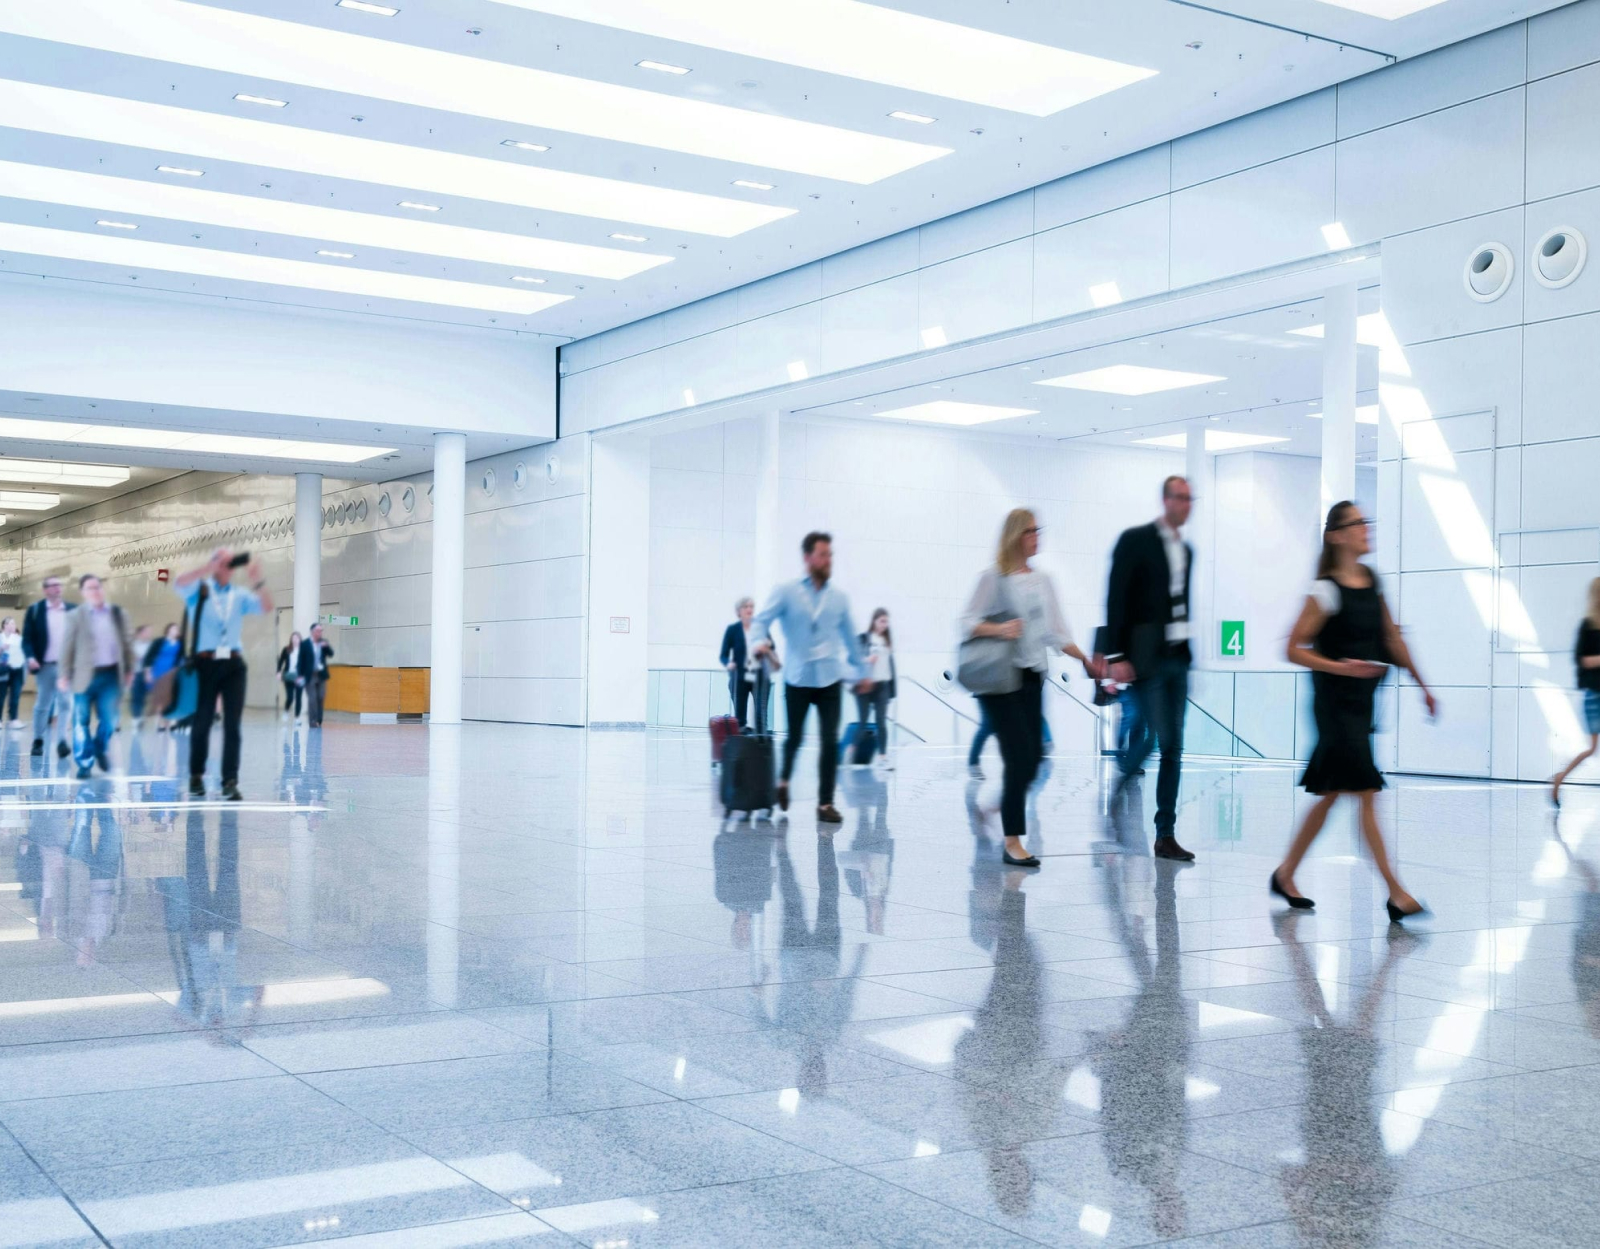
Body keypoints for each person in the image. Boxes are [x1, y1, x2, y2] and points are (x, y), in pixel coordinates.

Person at [1270, 501, 1436, 923]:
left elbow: (1391, 638)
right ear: (1336, 535)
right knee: (1366, 792)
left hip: (1361, 703)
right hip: (1334, 705)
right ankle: (1396, 892)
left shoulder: (1371, 581)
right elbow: (1293, 648)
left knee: (1330, 795)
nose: (1367, 528)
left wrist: (1422, 684)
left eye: (1366, 521)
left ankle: (1286, 873)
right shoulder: (1324, 589)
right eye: (1358, 523)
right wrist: (1339, 666)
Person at [962, 508, 1092, 868]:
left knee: (1034, 757)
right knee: (1017, 757)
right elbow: (967, 622)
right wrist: (999, 629)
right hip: (1000, 681)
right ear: (1016, 536)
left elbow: (1056, 631)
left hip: (1033, 676)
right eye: (1032, 531)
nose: (1038, 536)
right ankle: (1013, 840)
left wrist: (1084, 659)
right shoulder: (993, 577)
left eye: (1039, 530)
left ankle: (996, 807)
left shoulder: (1044, 580)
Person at [1098, 476, 1197, 862]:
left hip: (1178, 658)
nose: (1186, 505)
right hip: (1146, 658)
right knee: (1157, 734)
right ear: (1165, 500)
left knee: (1174, 747)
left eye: (1190, 499)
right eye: (1180, 498)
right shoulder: (1135, 540)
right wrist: (1117, 654)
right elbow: (1116, 596)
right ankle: (1123, 778)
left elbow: (1182, 606)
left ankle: (1165, 834)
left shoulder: (1187, 550)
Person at [750, 531, 870, 824]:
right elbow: (761, 620)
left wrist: (862, 672)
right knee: (794, 738)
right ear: (807, 558)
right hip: (798, 677)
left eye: (830, 555)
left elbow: (850, 638)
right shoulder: (786, 591)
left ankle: (825, 803)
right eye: (822, 554)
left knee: (830, 741)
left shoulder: (838, 598)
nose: (828, 560)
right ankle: (784, 782)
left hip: (830, 678)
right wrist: (757, 641)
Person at [174, 548, 272, 801]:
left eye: (231, 563)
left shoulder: (239, 595)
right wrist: (208, 568)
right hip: (206, 663)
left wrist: (257, 579)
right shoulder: (200, 590)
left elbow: (266, 606)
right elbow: (178, 582)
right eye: (223, 562)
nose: (227, 566)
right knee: (203, 720)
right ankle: (196, 775)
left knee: (232, 725)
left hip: (234, 665)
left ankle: (230, 780)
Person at [56, 574, 135, 781]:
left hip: (110, 675)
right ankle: (84, 763)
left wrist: (130, 670)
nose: (95, 591)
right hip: (83, 676)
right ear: (83, 593)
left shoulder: (117, 614)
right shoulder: (75, 616)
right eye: (90, 588)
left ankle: (100, 747)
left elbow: (127, 644)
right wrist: (63, 674)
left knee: (109, 720)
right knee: (80, 721)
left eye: (97, 587)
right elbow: (67, 648)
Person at [1552, 576, 1600, 806]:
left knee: (1591, 748)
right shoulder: (1587, 627)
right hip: (1594, 694)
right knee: (1591, 748)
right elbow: (1581, 660)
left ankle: (1560, 778)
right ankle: (1560, 778)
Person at [21, 574, 75, 759]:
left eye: (59, 585)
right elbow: (27, 639)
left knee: (65, 703)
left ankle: (61, 741)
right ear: (45, 590)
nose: (57, 588)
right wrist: (30, 657)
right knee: (43, 703)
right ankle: (38, 739)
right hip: (44, 666)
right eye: (52, 585)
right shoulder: (36, 611)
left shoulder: (72, 610)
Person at [855, 608, 895, 767]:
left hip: (882, 686)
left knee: (881, 722)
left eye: (886, 621)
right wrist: (867, 659)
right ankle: (852, 753)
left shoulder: (887, 641)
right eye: (882, 621)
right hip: (865, 685)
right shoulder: (864, 638)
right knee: (863, 720)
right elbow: (854, 659)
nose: (885, 625)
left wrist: (892, 691)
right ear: (874, 621)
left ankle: (883, 757)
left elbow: (890, 668)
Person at [719, 597, 760, 727]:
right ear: (739, 611)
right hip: (739, 676)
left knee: (761, 714)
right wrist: (728, 663)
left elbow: (771, 647)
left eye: (751, 606)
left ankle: (761, 740)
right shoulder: (733, 630)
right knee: (740, 716)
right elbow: (723, 655)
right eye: (746, 607)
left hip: (757, 675)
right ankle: (741, 740)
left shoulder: (759, 628)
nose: (749, 609)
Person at [142, 622, 183, 729]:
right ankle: (160, 722)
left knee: (171, 696)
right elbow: (149, 657)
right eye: (173, 629)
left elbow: (181, 658)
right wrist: (148, 672)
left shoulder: (180, 643)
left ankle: (169, 720)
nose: (175, 631)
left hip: (172, 672)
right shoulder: (159, 641)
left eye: (176, 629)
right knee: (160, 697)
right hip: (158, 670)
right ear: (168, 630)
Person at [298, 623, 334, 727]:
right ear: (312, 632)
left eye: (321, 631)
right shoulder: (304, 644)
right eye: (318, 631)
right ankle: (312, 721)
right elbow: (300, 661)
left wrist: (326, 647)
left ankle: (319, 720)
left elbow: (331, 654)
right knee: (312, 698)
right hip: (309, 675)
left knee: (321, 696)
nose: (320, 633)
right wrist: (300, 675)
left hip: (321, 674)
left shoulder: (323, 643)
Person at [0, 617, 24, 728]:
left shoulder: (19, 639)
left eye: (14, 623)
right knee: (1, 695)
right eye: (9, 623)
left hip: (17, 670)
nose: (12, 625)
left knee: (15, 695)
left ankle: (13, 719)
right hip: (3, 669)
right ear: (4, 625)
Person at [127, 625, 153, 727]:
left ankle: (142, 717)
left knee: (147, 697)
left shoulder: (151, 645)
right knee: (136, 696)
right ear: (140, 633)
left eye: (149, 632)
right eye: (146, 632)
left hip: (149, 674)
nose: (148, 634)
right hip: (136, 673)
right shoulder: (132, 645)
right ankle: (136, 720)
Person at [277, 631, 304, 722]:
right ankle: (286, 711)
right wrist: (279, 672)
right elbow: (280, 661)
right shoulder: (286, 649)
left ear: (300, 639)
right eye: (293, 638)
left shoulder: (303, 650)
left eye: (297, 638)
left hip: (299, 677)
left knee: (298, 697)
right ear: (291, 640)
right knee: (290, 697)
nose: (295, 640)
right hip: (288, 676)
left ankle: (297, 718)